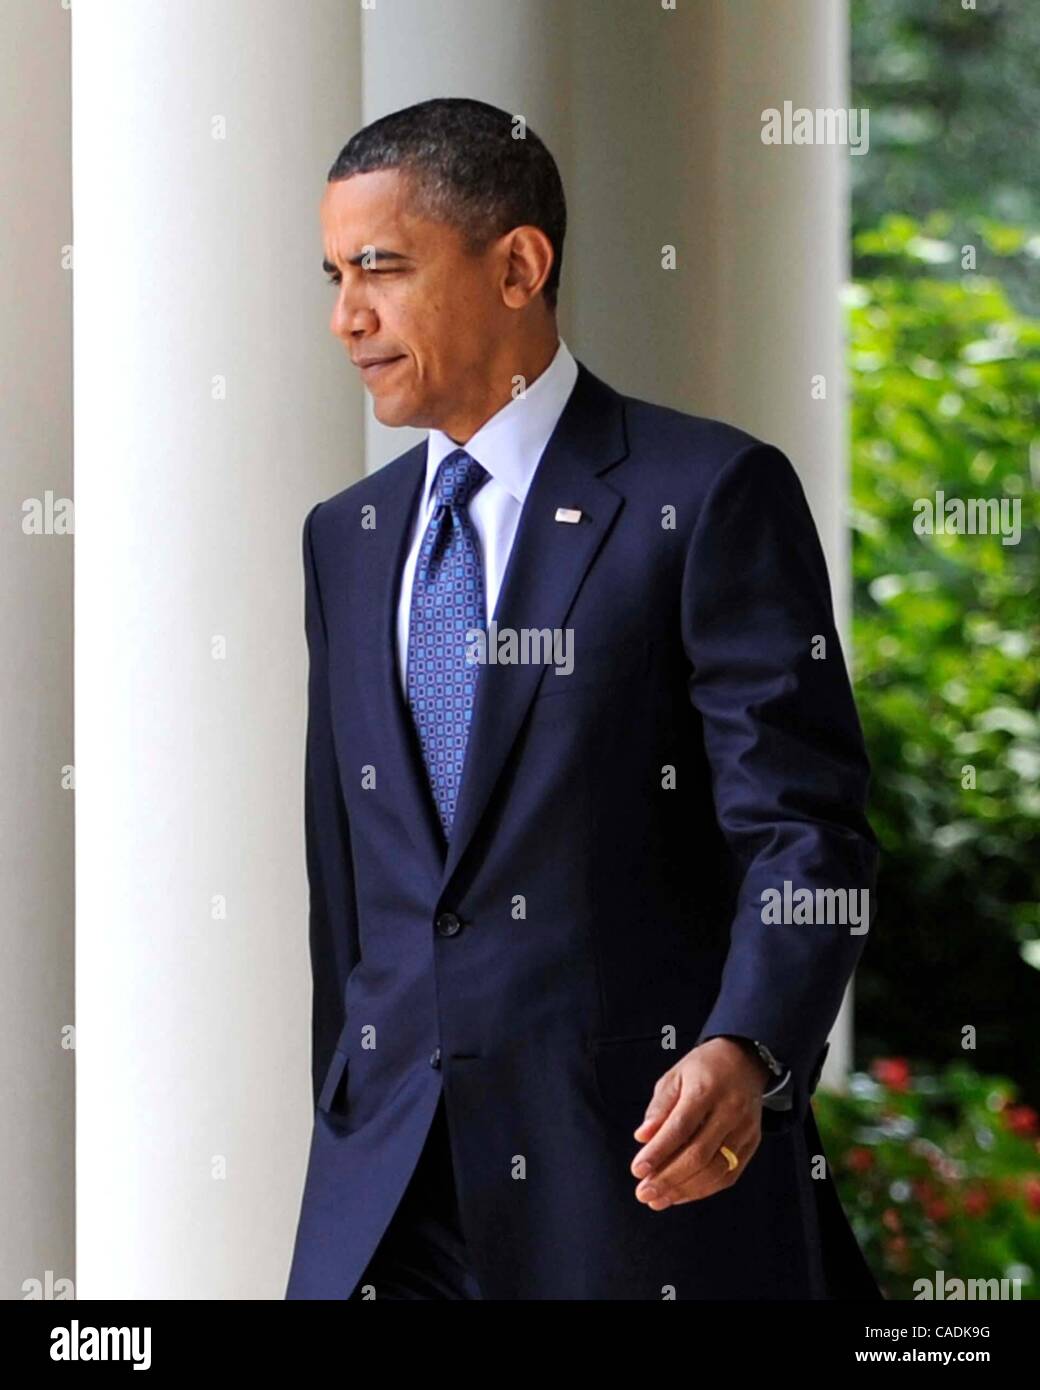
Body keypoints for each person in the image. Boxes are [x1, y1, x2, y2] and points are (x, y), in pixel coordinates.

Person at [285, 96, 881, 1301]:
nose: (347, 316)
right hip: (387, 1195)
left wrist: (747, 1046)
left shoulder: (706, 495)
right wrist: (349, 1098)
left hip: (626, 1182)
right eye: (336, 274)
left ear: (518, 265)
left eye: (383, 269)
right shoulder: (345, 538)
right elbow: (349, 876)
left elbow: (804, 831)